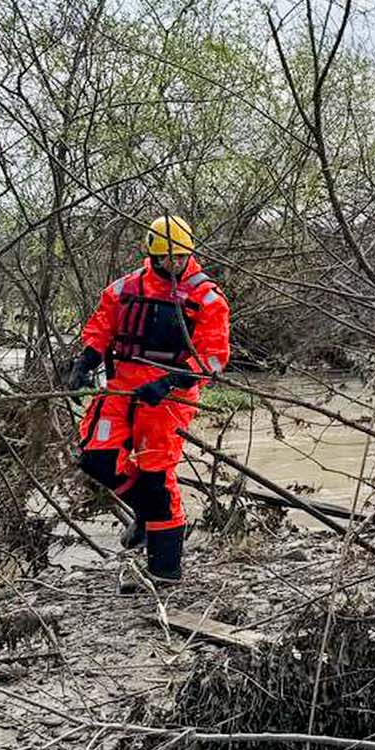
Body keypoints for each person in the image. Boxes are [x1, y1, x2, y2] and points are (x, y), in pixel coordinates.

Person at [70, 215, 231, 585]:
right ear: (152, 255)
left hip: (169, 397)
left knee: (157, 477)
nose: (174, 264)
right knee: (96, 458)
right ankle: (144, 513)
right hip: (122, 387)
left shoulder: (206, 298)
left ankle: (165, 571)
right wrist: (84, 363)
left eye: (180, 257)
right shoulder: (124, 288)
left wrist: (172, 380)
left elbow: (213, 355)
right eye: (166, 258)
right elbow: (101, 328)